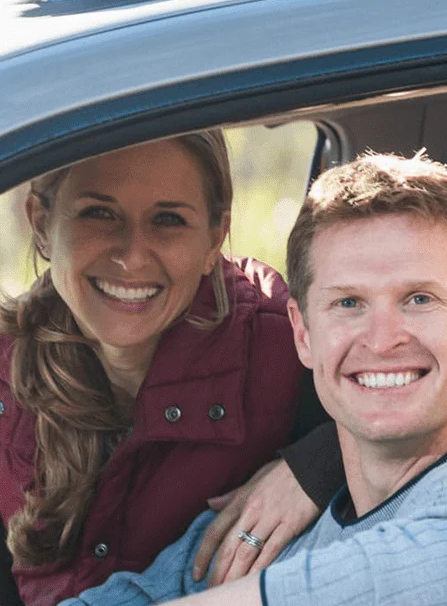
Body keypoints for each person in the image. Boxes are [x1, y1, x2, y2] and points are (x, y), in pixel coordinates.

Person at [64, 153, 447, 605]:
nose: (382, 339)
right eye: (348, 303)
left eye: (419, 298)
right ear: (303, 334)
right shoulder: (264, 527)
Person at [0, 133, 320, 605]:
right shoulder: (6, 364)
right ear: (42, 224)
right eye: (99, 213)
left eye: (168, 219)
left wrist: (315, 468)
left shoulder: (280, 341)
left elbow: (440, 404)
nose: (132, 256)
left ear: (215, 238)